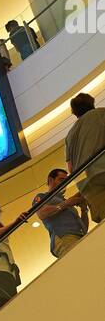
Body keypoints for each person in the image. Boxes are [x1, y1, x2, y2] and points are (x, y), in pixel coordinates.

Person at [65, 92, 105, 224]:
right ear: (92, 103)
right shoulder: (100, 114)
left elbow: (70, 168)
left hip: (87, 184)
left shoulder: (69, 136)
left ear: (74, 112)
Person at [30, 168, 88, 258]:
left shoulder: (65, 201)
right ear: (50, 180)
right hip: (65, 237)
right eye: (61, 180)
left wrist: (84, 210)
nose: (65, 183)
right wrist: (67, 203)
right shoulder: (42, 196)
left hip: (80, 237)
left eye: (66, 181)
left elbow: (84, 228)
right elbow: (41, 213)